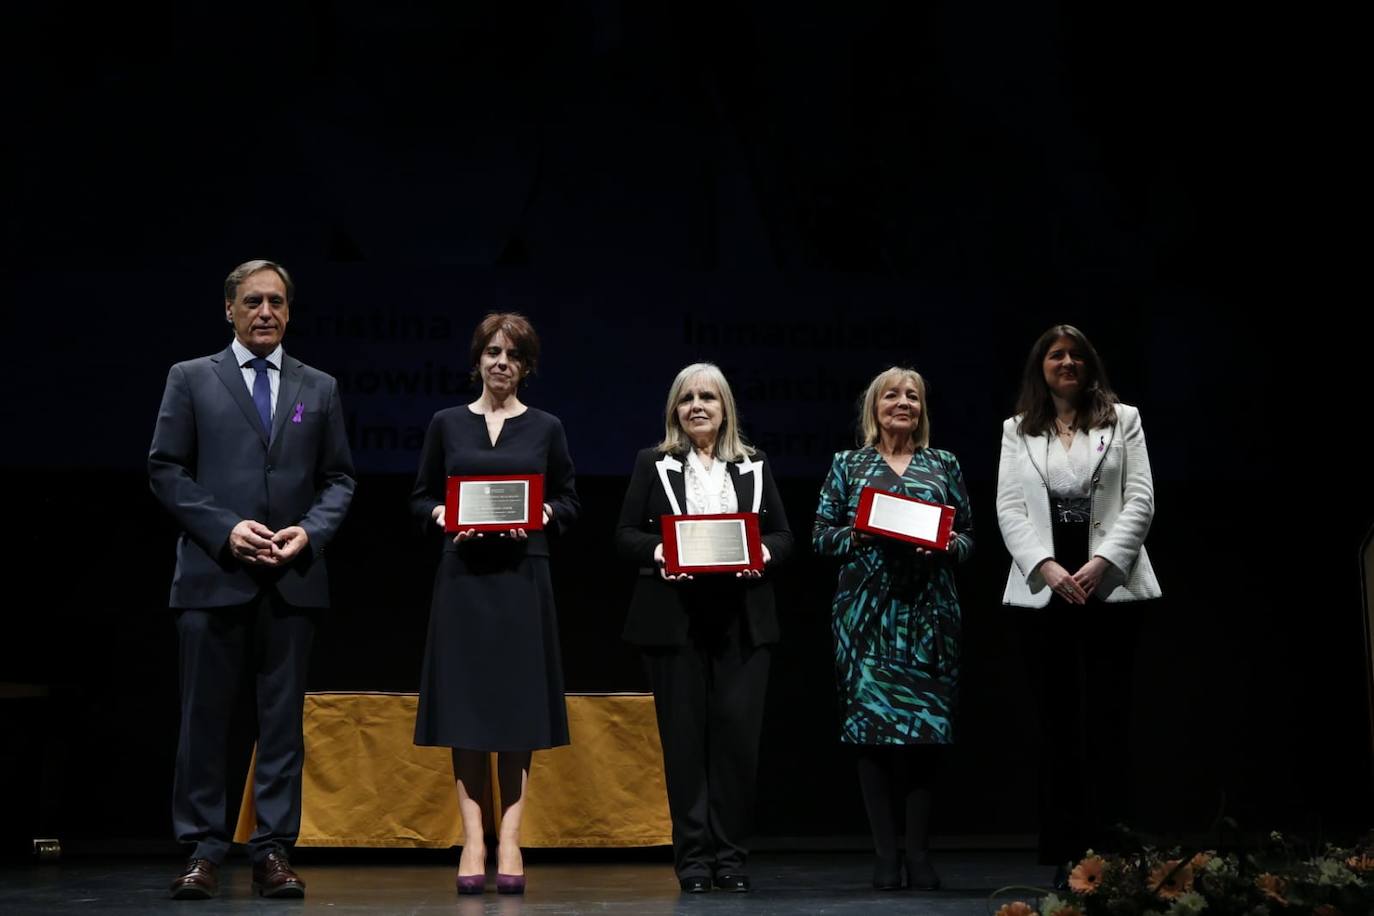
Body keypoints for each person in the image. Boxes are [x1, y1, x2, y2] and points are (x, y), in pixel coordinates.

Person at [149, 259, 356, 900]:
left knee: (281, 724)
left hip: (290, 582)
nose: (265, 312)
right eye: (253, 301)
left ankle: (272, 850)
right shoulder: (191, 378)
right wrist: (226, 529)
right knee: (204, 721)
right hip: (214, 576)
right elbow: (166, 469)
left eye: (276, 302)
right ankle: (204, 851)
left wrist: (309, 534)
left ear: (289, 311)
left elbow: (339, 479)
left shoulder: (318, 387)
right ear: (230, 310)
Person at [410, 313, 579, 896]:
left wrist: (544, 516)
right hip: (462, 581)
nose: (501, 362)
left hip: (521, 579)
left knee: (516, 713)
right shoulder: (446, 423)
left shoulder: (547, 427)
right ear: (477, 360)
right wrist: (440, 516)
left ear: (526, 367)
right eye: (492, 352)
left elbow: (568, 499)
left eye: (513, 355)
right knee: (466, 714)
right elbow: (422, 496)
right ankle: (472, 839)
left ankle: (510, 837)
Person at [616, 363, 792, 894]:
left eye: (708, 398)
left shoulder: (754, 464)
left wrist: (760, 552)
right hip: (675, 623)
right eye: (687, 397)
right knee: (686, 747)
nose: (697, 405)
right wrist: (660, 552)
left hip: (742, 621)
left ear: (725, 408)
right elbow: (624, 534)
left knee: (737, 745)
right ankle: (693, 862)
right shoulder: (654, 463)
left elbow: (782, 534)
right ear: (675, 409)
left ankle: (731, 860)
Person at [995, 324, 1160, 884]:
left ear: (1089, 365)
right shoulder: (1017, 430)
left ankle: (1113, 849)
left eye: (1075, 355)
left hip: (1108, 586)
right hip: (1046, 587)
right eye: (1055, 355)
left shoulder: (1124, 420)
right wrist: (1044, 564)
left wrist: (1103, 563)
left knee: (1109, 721)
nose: (1066, 363)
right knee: (1057, 725)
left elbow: (1140, 499)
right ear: (1040, 367)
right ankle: (1065, 851)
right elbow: (1009, 508)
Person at [812, 367, 973, 891]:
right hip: (865, 618)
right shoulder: (848, 464)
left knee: (926, 734)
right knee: (871, 734)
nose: (903, 403)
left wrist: (945, 545)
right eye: (891, 395)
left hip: (928, 615)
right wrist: (859, 533)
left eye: (913, 396)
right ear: (873, 407)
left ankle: (920, 853)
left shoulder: (943, 463)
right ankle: (885, 855)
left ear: (922, 409)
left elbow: (967, 536)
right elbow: (820, 535)